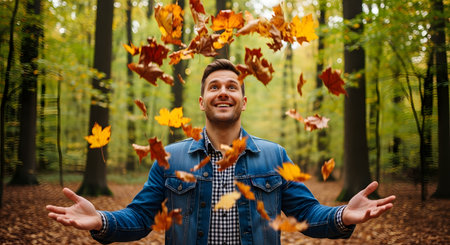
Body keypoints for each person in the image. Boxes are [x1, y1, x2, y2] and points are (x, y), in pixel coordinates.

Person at [46, 59, 396, 245]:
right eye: (214, 87)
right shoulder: (170, 158)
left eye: (232, 86)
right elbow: (139, 218)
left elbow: (306, 215)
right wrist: (102, 221)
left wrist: (342, 217)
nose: (223, 92)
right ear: (202, 101)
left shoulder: (275, 156)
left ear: (243, 100)